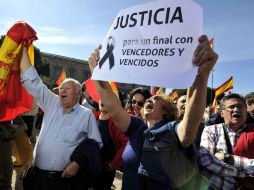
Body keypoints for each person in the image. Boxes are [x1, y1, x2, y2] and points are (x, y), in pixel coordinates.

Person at [88, 35, 218, 189]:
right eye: (149, 99)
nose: (149, 100)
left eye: (156, 99)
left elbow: (189, 126)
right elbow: (114, 107)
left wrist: (200, 76)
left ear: (166, 110)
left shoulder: (173, 129)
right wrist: (97, 75)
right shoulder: (136, 126)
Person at [19, 47, 102, 190]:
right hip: (38, 177)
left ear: (78, 94)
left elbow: (95, 143)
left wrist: (77, 162)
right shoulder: (51, 103)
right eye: (61, 88)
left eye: (67, 88)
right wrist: (22, 48)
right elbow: (34, 83)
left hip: (63, 181)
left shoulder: (85, 114)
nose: (62, 90)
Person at [199, 93, 254, 190]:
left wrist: (228, 158)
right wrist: (243, 173)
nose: (236, 109)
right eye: (231, 107)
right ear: (221, 113)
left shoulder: (252, 131)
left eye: (240, 106)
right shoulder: (211, 130)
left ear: (246, 111)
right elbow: (207, 160)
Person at [94, 100, 128, 190]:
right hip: (92, 166)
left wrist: (112, 165)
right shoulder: (94, 116)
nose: (103, 99)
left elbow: (126, 144)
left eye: (106, 97)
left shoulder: (117, 122)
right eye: (101, 97)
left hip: (106, 169)